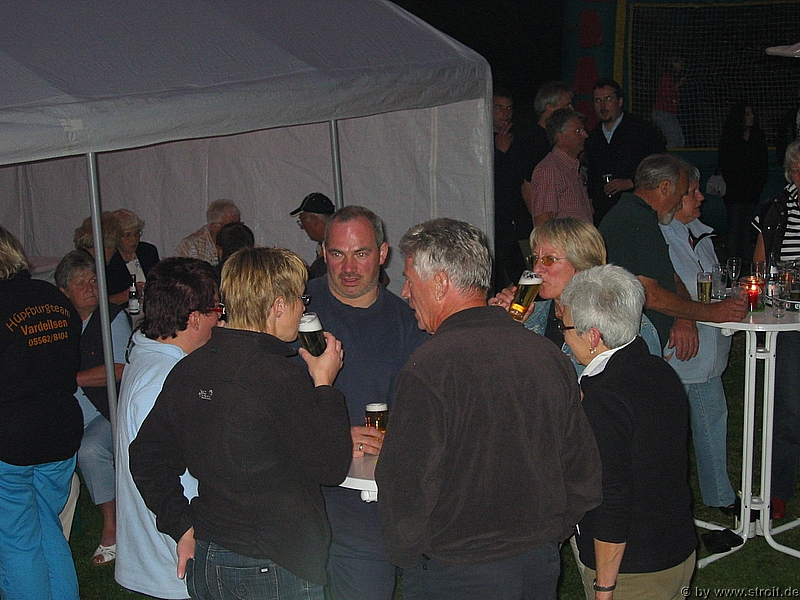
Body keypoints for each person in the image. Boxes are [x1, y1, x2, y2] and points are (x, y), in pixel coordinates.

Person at [377, 218, 602, 600]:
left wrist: (408, 556)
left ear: (441, 283)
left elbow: (406, 486)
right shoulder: (547, 356)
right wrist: (547, 537)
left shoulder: (429, 368)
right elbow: (583, 475)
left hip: (456, 573)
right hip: (536, 566)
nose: (405, 292)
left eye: (410, 280)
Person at [130, 247, 352, 599]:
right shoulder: (277, 377)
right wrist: (324, 384)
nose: (304, 309)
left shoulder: (189, 368)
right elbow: (331, 466)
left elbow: (146, 457)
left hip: (210, 557)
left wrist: (181, 526)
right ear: (278, 306)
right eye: (300, 299)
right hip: (274, 563)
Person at [304, 205, 428, 600]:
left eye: (361, 253)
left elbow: (422, 412)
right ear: (323, 253)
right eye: (337, 254)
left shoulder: (408, 321)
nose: (348, 267)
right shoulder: (297, 312)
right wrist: (333, 435)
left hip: (366, 507)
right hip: (299, 499)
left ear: (383, 253)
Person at [560, 265, 696, 600]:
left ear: (593, 337)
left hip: (634, 571)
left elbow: (612, 499)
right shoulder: (658, 371)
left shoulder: (604, 401)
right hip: (676, 548)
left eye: (565, 327)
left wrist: (605, 587)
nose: (563, 335)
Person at [115, 258, 219, 598]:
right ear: (194, 319)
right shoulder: (162, 379)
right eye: (216, 309)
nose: (221, 318)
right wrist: (187, 530)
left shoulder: (150, 355)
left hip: (167, 549)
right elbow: (158, 470)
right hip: (172, 557)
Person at [0, 225, 82, 599]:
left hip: (12, 438)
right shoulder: (52, 297)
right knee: (47, 527)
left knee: (17, 540)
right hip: (61, 429)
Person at [599, 153, 747, 357]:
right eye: (682, 193)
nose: (679, 203)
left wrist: (685, 316)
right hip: (632, 347)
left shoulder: (644, 218)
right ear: (665, 187)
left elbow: (673, 279)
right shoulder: (632, 220)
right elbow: (650, 295)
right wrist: (712, 313)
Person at [490, 218, 661, 374]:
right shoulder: (530, 317)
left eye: (549, 260)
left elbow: (643, 388)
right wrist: (504, 326)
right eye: (535, 258)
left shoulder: (625, 324)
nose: (537, 270)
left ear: (581, 265)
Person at [660, 167, 737, 513]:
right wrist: (684, 317)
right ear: (674, 196)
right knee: (669, 433)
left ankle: (721, 496)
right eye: (692, 191)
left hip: (708, 352)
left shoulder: (698, 232)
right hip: (680, 350)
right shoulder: (660, 235)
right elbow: (663, 291)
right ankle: (668, 504)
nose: (701, 196)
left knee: (712, 421)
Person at [55, 249, 132, 565]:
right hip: (65, 411)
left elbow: (119, 369)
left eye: (93, 281)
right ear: (64, 292)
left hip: (105, 411)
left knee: (89, 449)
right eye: (80, 283)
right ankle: (49, 523)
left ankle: (111, 527)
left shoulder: (111, 318)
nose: (90, 288)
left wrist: (71, 379)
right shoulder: (58, 322)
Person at [752, 138, 800, 520]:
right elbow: (760, 263)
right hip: (791, 319)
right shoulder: (777, 207)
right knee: (787, 407)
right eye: (797, 169)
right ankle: (779, 487)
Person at [585, 78, 666, 226]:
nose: (602, 106)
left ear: (620, 101)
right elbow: (592, 175)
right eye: (597, 101)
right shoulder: (592, 137)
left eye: (608, 99)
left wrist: (630, 182)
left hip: (637, 207)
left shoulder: (642, 130)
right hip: (604, 211)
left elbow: (660, 165)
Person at [718, 102, 768, 260]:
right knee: (734, 226)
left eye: (752, 113)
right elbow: (725, 162)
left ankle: (746, 262)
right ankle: (732, 261)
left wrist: (758, 184)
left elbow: (762, 162)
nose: (751, 117)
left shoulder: (757, 136)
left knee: (746, 227)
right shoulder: (730, 136)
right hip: (734, 190)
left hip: (751, 190)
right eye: (747, 114)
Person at [492, 87, 531, 290]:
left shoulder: (519, 140)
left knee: (524, 276)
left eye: (509, 108)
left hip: (516, 220)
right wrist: (499, 152)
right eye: (499, 108)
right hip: (495, 222)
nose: (505, 113)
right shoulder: (480, 140)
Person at [530, 108, 593, 226]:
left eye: (583, 130)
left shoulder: (571, 168)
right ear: (560, 136)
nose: (585, 135)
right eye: (577, 131)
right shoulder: (550, 170)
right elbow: (543, 222)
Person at [520, 80, 575, 213]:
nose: (571, 110)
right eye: (566, 105)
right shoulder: (534, 142)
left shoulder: (553, 139)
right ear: (550, 107)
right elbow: (527, 188)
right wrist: (541, 221)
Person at [106, 208, 160, 306]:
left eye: (137, 233)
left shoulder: (148, 252)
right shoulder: (109, 259)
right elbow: (101, 301)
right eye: (127, 235)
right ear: (115, 237)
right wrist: (126, 295)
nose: (134, 239)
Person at [74, 211, 128, 303]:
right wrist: (124, 296)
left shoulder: (88, 260)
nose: (115, 251)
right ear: (105, 245)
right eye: (113, 247)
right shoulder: (83, 266)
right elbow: (93, 302)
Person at [173, 199, 241, 265]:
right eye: (231, 226)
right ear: (214, 227)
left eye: (238, 224)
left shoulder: (241, 241)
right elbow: (175, 270)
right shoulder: (191, 245)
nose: (237, 229)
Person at [290, 192, 335, 279]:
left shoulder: (334, 245)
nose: (302, 227)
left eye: (302, 221)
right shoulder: (328, 242)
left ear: (314, 220)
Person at [651, 56, 687, 148]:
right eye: (679, 63)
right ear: (673, 63)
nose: (681, 65)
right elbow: (665, 92)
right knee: (674, 139)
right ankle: (665, 156)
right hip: (662, 113)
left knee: (680, 141)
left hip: (670, 114)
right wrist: (677, 87)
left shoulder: (672, 78)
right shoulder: (666, 76)